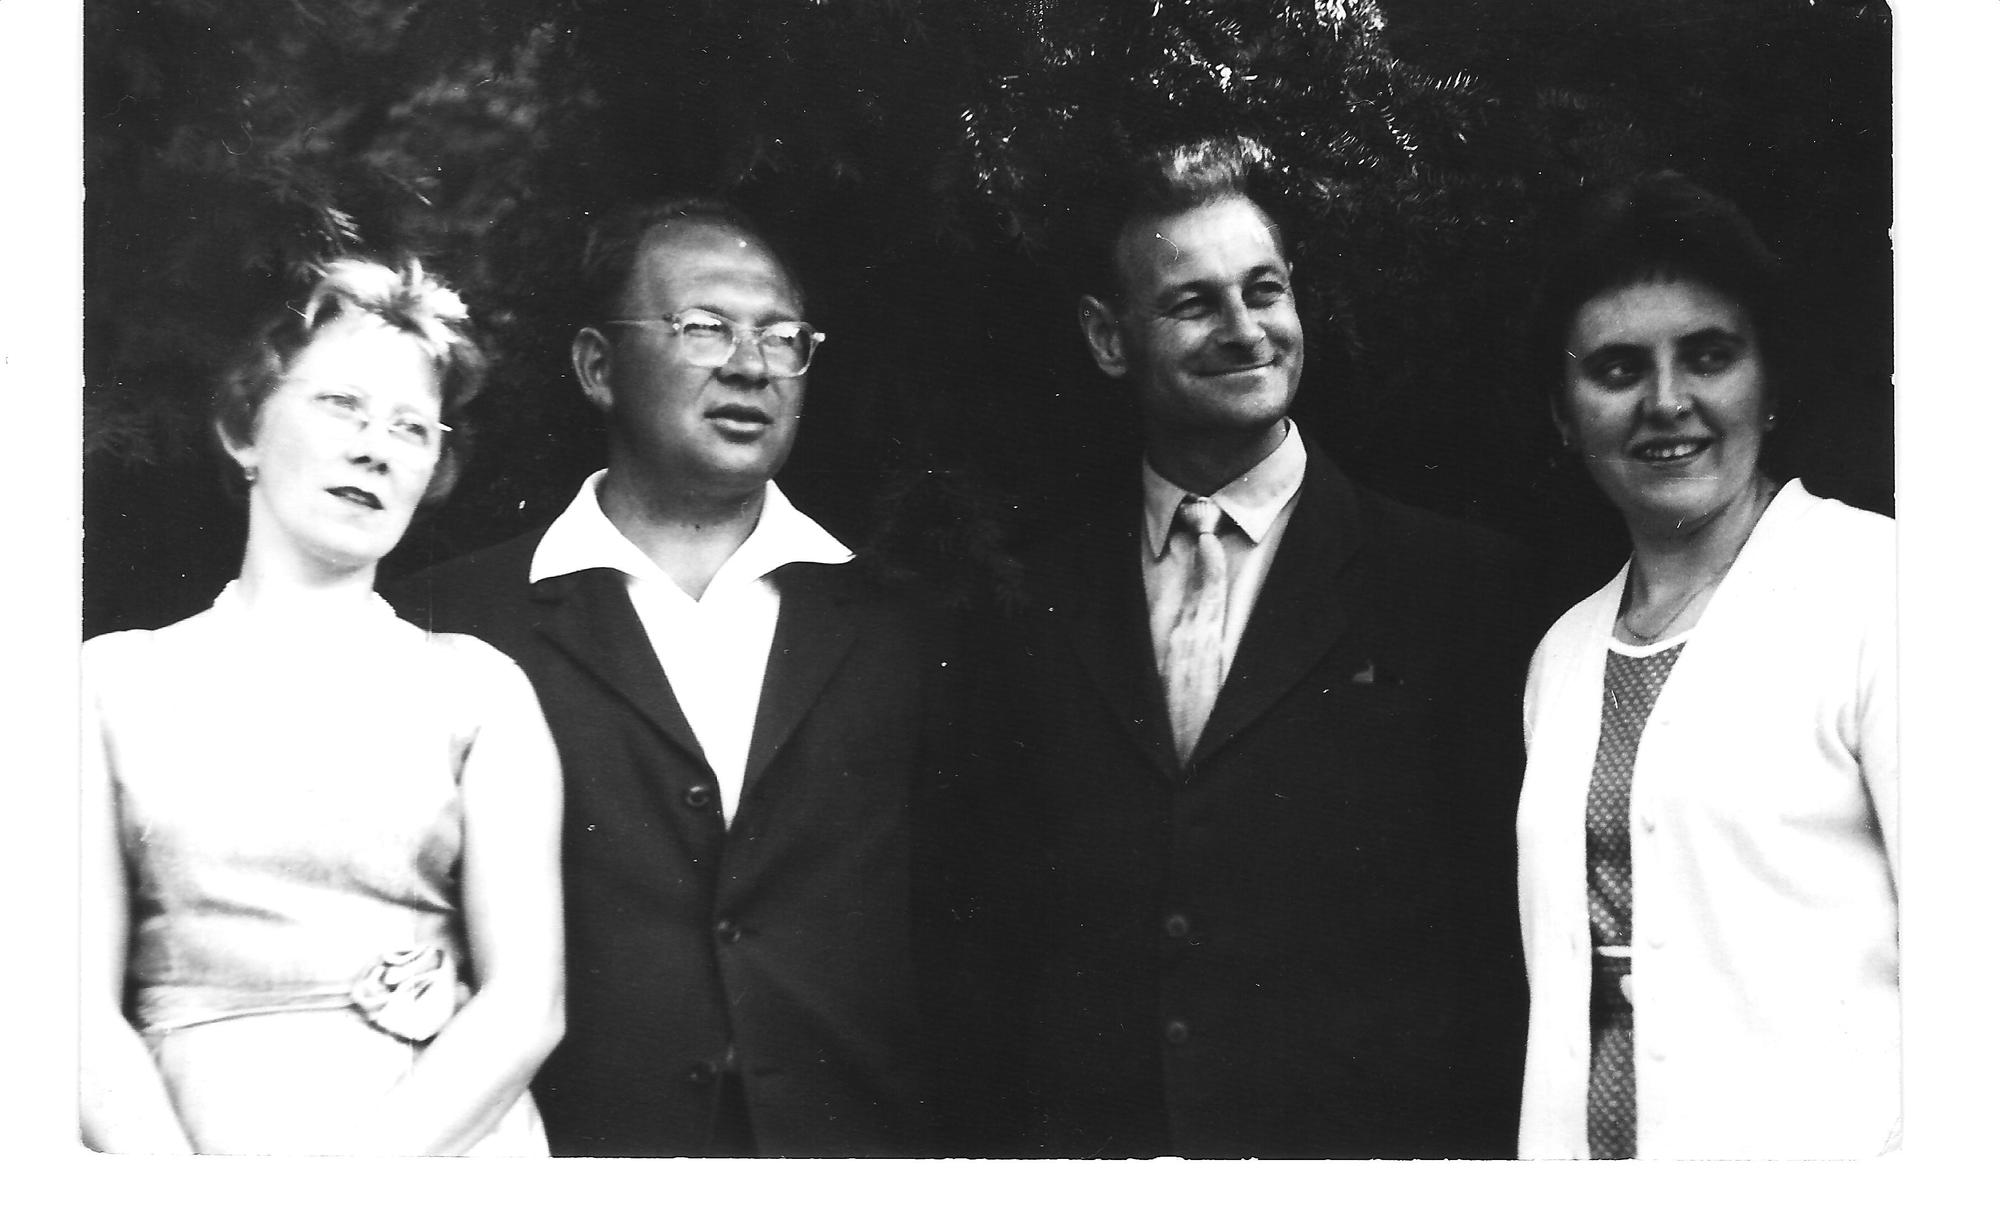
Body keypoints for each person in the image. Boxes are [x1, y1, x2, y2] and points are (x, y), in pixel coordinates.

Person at [937, 137, 1542, 1158]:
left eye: (1264, 291)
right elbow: (986, 942)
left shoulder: (1459, 590)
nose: (1244, 329)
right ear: (1108, 338)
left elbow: (1500, 954)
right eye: (1192, 303)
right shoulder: (1025, 599)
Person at [389, 198, 941, 1157]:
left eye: (782, 337)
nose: (751, 365)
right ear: (597, 367)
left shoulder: (903, 628)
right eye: (704, 327)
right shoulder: (454, 622)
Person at [80, 258, 565, 1155]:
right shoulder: (108, 683)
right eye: (342, 404)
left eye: (411, 427)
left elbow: (527, 1006)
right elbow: (68, 1010)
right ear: (243, 430)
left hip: (440, 1161)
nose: (376, 448)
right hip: (180, 1156)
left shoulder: (481, 689)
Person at [1514, 172, 1898, 1159]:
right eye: (1616, 370)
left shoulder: (1883, 590)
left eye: (1708, 357)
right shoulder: (1562, 654)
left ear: (1767, 385)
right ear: (1562, 414)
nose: (1666, 401)